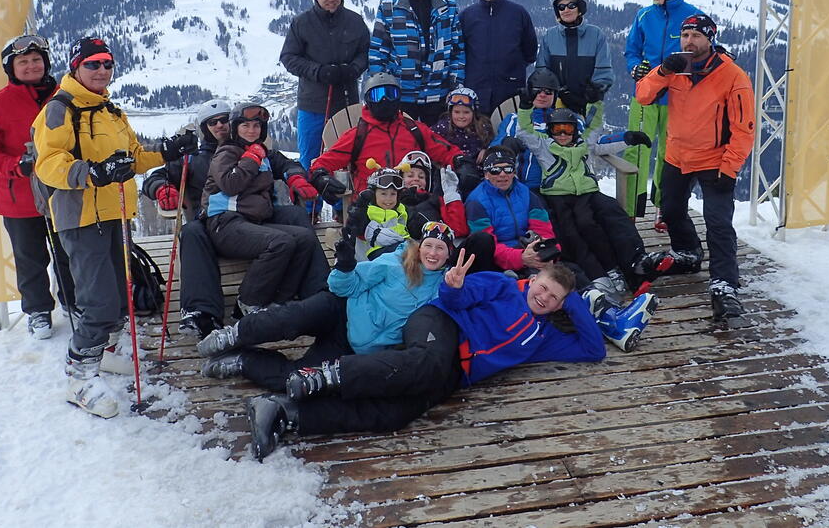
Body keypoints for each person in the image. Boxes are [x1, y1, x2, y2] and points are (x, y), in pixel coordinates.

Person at [245, 256, 603, 461]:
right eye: (543, 287)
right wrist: (453, 285)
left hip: (457, 372)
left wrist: (572, 297)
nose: (544, 298)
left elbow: (593, 349)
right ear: (533, 279)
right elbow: (454, 298)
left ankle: (286, 413)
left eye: (553, 298)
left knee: (396, 414)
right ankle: (322, 377)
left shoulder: (542, 337)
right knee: (424, 364)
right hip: (440, 324)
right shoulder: (502, 285)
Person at [31, 36, 197, 418]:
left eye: (107, 63)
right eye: (93, 64)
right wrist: (92, 172)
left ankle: (104, 354)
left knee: (122, 296)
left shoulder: (111, 111)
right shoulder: (60, 109)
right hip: (79, 217)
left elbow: (132, 159)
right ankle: (79, 378)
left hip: (115, 213)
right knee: (99, 301)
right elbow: (48, 163)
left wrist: (167, 151)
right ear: (76, 67)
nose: (102, 70)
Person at [197, 223, 454, 393]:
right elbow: (345, 287)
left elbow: (448, 310)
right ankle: (234, 334)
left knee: (297, 379)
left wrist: (455, 288)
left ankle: (243, 362)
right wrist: (344, 267)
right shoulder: (395, 262)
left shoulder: (442, 288)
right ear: (419, 246)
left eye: (440, 248)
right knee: (291, 319)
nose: (432, 253)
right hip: (341, 309)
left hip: (352, 347)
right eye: (428, 245)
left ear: (448, 254)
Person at [635, 13, 756, 325]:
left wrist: (730, 167)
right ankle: (687, 253)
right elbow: (643, 95)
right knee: (671, 210)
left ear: (709, 39)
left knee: (718, 224)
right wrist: (663, 70)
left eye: (696, 36)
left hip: (715, 160)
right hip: (677, 156)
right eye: (685, 35)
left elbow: (744, 128)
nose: (689, 42)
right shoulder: (675, 68)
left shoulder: (732, 75)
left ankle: (724, 284)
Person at [0, 34, 74, 340]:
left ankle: (74, 301)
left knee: (70, 252)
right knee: (30, 258)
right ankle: (38, 310)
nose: (31, 66)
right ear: (11, 68)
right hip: (20, 197)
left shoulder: (67, 96)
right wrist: (15, 164)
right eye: (23, 62)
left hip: (63, 192)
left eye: (36, 60)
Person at [508, 102, 657, 299]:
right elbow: (524, 130)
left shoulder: (584, 143)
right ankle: (600, 275)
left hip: (585, 193)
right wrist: (526, 106)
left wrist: (597, 102)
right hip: (557, 195)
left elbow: (595, 125)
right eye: (557, 130)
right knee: (569, 231)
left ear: (575, 130)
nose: (562, 134)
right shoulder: (543, 145)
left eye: (567, 129)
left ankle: (628, 266)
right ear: (550, 131)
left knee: (591, 223)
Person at [201, 102, 330, 317]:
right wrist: (251, 158)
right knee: (280, 242)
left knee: (305, 238)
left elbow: (288, 164)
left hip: (253, 222)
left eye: (256, 126)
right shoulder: (227, 152)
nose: (252, 131)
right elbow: (230, 184)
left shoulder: (263, 153)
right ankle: (247, 302)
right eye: (245, 126)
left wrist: (295, 178)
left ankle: (281, 300)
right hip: (225, 224)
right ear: (235, 128)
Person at [140, 99, 231, 338]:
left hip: (247, 223)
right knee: (190, 232)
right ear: (204, 128)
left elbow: (282, 164)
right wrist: (162, 189)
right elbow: (155, 177)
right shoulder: (192, 159)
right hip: (208, 226)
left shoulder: (248, 151)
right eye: (213, 122)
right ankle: (201, 312)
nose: (220, 125)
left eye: (225, 120)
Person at [623, 0, 703, 221]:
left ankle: (663, 208)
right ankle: (631, 209)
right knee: (637, 147)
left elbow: (704, 53)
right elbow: (631, 51)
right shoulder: (644, 16)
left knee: (670, 152)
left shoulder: (692, 17)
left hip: (678, 97)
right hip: (645, 94)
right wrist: (635, 69)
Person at [309, 71, 466, 197]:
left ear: (399, 98)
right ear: (368, 100)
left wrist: (461, 162)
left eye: (391, 94)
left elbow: (445, 151)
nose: (384, 100)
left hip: (412, 202)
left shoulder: (414, 130)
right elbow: (325, 162)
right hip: (371, 205)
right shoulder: (358, 135)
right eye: (377, 95)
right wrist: (321, 177)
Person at [279, 0, 370, 170]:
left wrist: (353, 69)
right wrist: (318, 72)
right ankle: (310, 190)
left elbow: (366, 52)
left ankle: (345, 193)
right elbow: (288, 57)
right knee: (311, 158)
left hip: (347, 103)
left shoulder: (354, 21)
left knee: (349, 160)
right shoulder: (302, 23)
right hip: (313, 104)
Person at [368, 0, 465, 124]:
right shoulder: (389, 6)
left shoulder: (447, 6)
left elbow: (457, 51)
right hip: (401, 93)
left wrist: (456, 86)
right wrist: (381, 88)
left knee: (436, 140)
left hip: (438, 92)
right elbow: (378, 51)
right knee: (401, 140)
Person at [461, 146, 559, 276]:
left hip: (529, 249)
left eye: (508, 169)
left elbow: (543, 228)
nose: (502, 174)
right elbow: (486, 245)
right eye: (495, 170)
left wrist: (546, 253)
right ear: (486, 175)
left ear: (514, 172)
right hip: (499, 258)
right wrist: (520, 258)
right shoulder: (476, 201)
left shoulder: (526, 192)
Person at [459, 0, 537, 115]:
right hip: (476, 92)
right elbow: (459, 53)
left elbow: (530, 52)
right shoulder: (466, 17)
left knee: (508, 129)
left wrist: (513, 71)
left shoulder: (518, 14)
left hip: (510, 92)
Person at [536, 0, 613, 120]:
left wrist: (593, 92)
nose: (566, 10)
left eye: (571, 5)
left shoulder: (595, 35)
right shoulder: (550, 36)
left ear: (580, 8)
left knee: (590, 133)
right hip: (558, 104)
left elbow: (604, 71)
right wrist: (556, 92)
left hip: (589, 104)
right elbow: (542, 71)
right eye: (561, 7)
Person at [492, 67, 567, 190]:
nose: (542, 95)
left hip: (559, 187)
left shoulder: (567, 121)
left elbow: (589, 143)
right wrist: (507, 144)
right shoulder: (513, 120)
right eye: (537, 90)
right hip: (521, 186)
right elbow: (495, 149)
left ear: (555, 96)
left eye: (548, 91)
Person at [344, 166, 412, 260]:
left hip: (399, 258)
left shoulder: (402, 211)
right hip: (368, 261)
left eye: (393, 194)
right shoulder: (366, 212)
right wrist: (359, 209)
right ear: (373, 194)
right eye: (383, 194)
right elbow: (353, 227)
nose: (388, 199)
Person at [430, 86, 493, 159]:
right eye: (457, 112)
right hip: (449, 164)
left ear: (474, 112)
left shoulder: (483, 127)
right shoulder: (441, 127)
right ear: (450, 112)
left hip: (476, 164)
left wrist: (487, 150)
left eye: (466, 112)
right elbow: (428, 141)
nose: (461, 116)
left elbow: (493, 144)